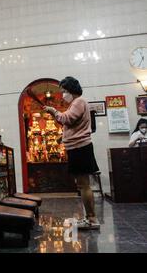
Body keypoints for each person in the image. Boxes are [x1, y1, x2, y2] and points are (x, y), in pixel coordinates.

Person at [44, 76, 100, 230]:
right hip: (78, 147)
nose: (63, 94)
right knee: (82, 185)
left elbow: (67, 119)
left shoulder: (79, 102)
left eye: (64, 91)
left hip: (80, 148)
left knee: (84, 185)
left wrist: (53, 111)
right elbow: (71, 123)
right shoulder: (77, 103)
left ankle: (92, 219)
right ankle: (90, 218)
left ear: (72, 90)